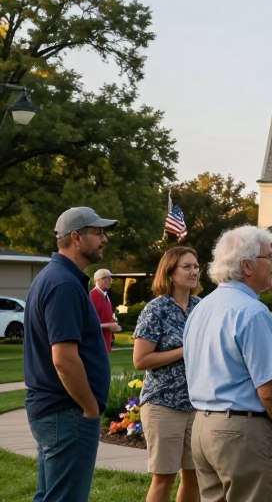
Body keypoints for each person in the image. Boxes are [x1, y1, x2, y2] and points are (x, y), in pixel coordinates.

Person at [183, 227, 272, 502]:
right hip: (241, 432)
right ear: (246, 265)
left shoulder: (201, 308)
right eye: (269, 257)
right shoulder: (252, 312)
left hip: (202, 427)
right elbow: (269, 389)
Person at [24, 206, 118, 502]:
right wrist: (90, 408)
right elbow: (63, 359)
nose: (104, 239)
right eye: (98, 233)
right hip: (67, 412)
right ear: (76, 237)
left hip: (56, 412)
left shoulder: (55, 278)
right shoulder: (63, 284)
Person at [133, 246, 203, 502]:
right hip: (163, 404)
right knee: (164, 477)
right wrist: (184, 351)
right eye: (187, 266)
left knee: (195, 475)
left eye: (196, 266)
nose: (193, 271)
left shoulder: (200, 307)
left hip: (196, 404)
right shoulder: (156, 309)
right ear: (170, 272)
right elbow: (141, 360)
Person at [89, 268, 122, 352]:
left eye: (111, 279)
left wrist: (112, 321)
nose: (111, 282)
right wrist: (109, 325)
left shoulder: (105, 295)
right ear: (100, 280)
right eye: (108, 279)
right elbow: (89, 323)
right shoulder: (93, 296)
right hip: (96, 344)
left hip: (104, 342)